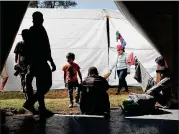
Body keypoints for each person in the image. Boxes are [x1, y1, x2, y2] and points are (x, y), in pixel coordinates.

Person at [24, 11, 56, 119]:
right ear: (39, 19)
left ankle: (42, 109)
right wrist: (51, 61)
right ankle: (31, 102)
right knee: (47, 84)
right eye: (41, 18)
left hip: (34, 63)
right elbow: (46, 48)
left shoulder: (31, 30)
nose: (42, 20)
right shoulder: (40, 30)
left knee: (40, 86)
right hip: (41, 62)